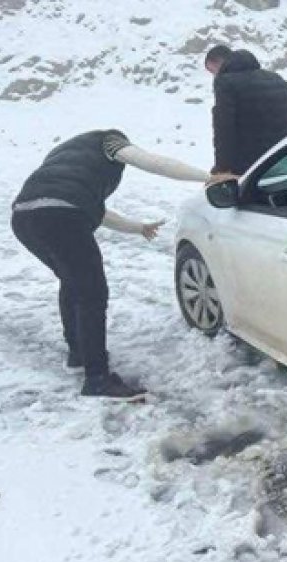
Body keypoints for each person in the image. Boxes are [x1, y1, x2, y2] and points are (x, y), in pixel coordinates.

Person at [12, 130, 208, 399]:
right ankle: (97, 379)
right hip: (61, 216)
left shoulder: (60, 157)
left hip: (23, 218)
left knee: (73, 281)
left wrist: (138, 228)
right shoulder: (109, 140)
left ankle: (78, 353)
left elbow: (89, 207)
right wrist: (209, 177)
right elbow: (153, 163)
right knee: (92, 293)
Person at [205, 46, 287, 175]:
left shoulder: (225, 82)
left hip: (252, 168)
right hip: (284, 162)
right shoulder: (276, 78)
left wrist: (222, 168)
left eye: (212, 70)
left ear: (219, 62)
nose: (215, 75)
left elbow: (224, 128)